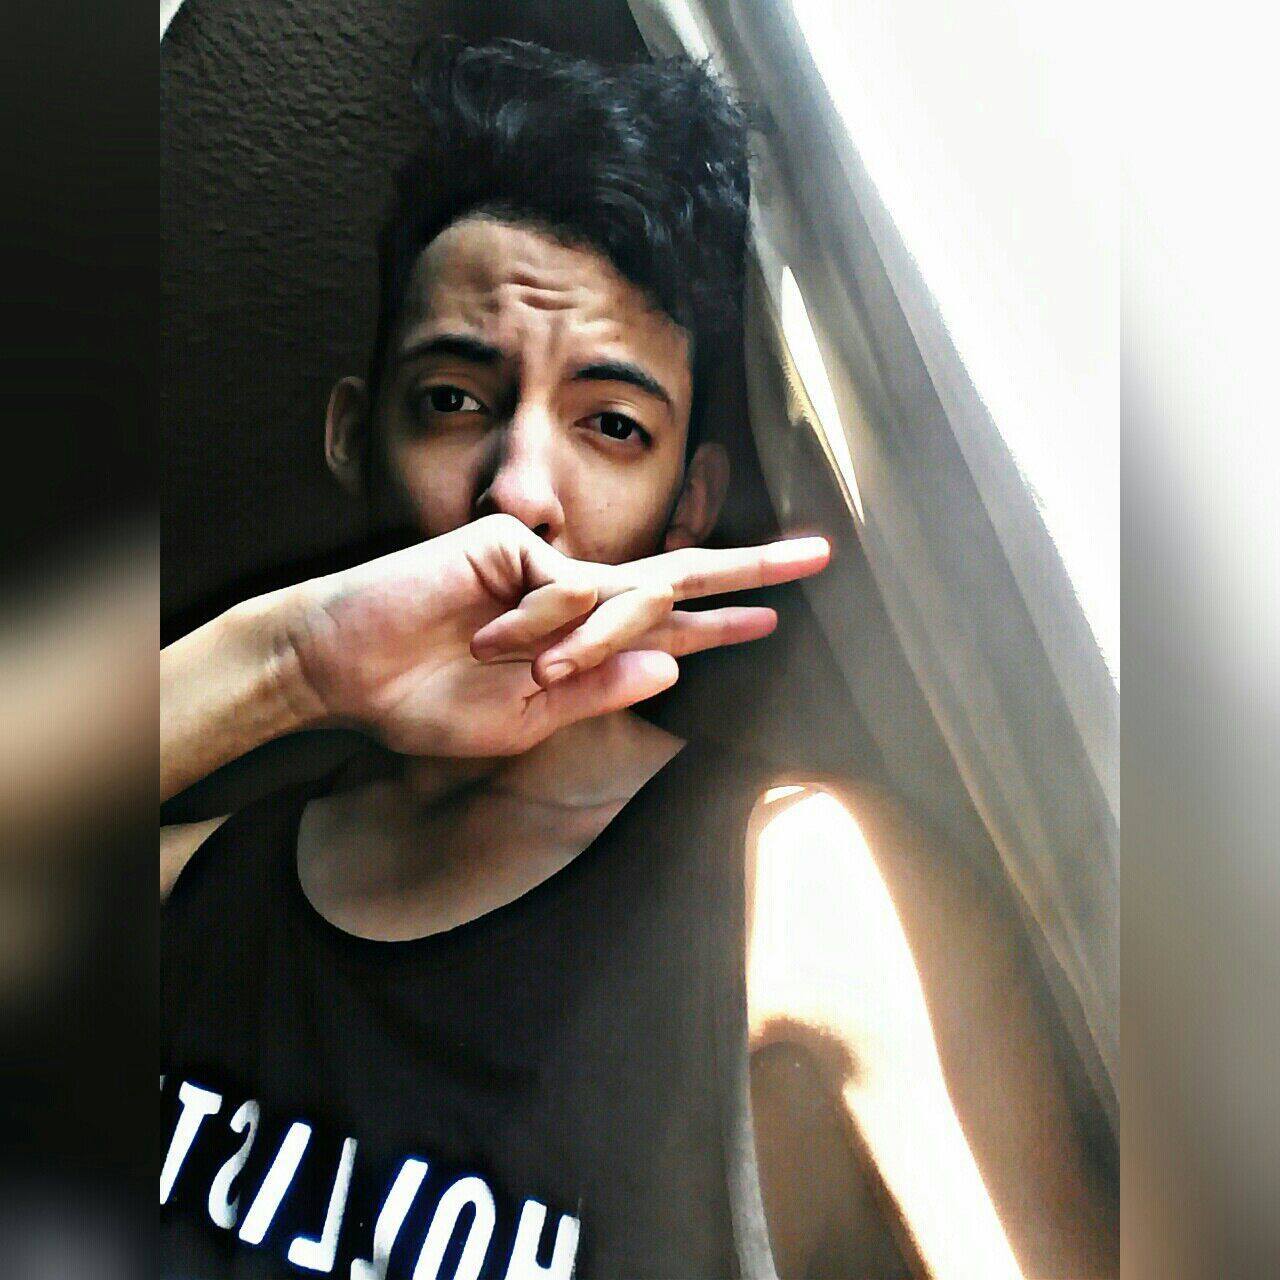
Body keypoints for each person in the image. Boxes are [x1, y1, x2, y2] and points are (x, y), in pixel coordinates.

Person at [161, 39, 1117, 1280]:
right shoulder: (197, 886)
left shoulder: (801, 888)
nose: (518, 489)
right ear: (354, 434)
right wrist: (286, 659)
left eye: (609, 424)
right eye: (452, 399)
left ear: (686, 508)